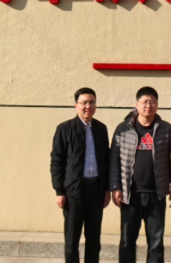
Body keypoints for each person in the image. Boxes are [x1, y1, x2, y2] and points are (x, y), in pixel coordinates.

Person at [109, 86, 171, 263]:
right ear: (137, 104)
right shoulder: (123, 129)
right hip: (130, 194)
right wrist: (115, 187)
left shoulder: (166, 129)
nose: (149, 105)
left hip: (156, 194)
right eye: (145, 102)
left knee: (156, 242)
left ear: (157, 105)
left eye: (153, 102)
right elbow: (114, 159)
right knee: (127, 241)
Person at [50, 88, 111, 263]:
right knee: (72, 240)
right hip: (74, 192)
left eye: (91, 102)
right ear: (76, 105)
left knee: (94, 240)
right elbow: (57, 162)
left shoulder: (101, 129)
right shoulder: (64, 129)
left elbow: (106, 160)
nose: (88, 106)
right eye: (84, 102)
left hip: (96, 191)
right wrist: (59, 191)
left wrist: (106, 189)